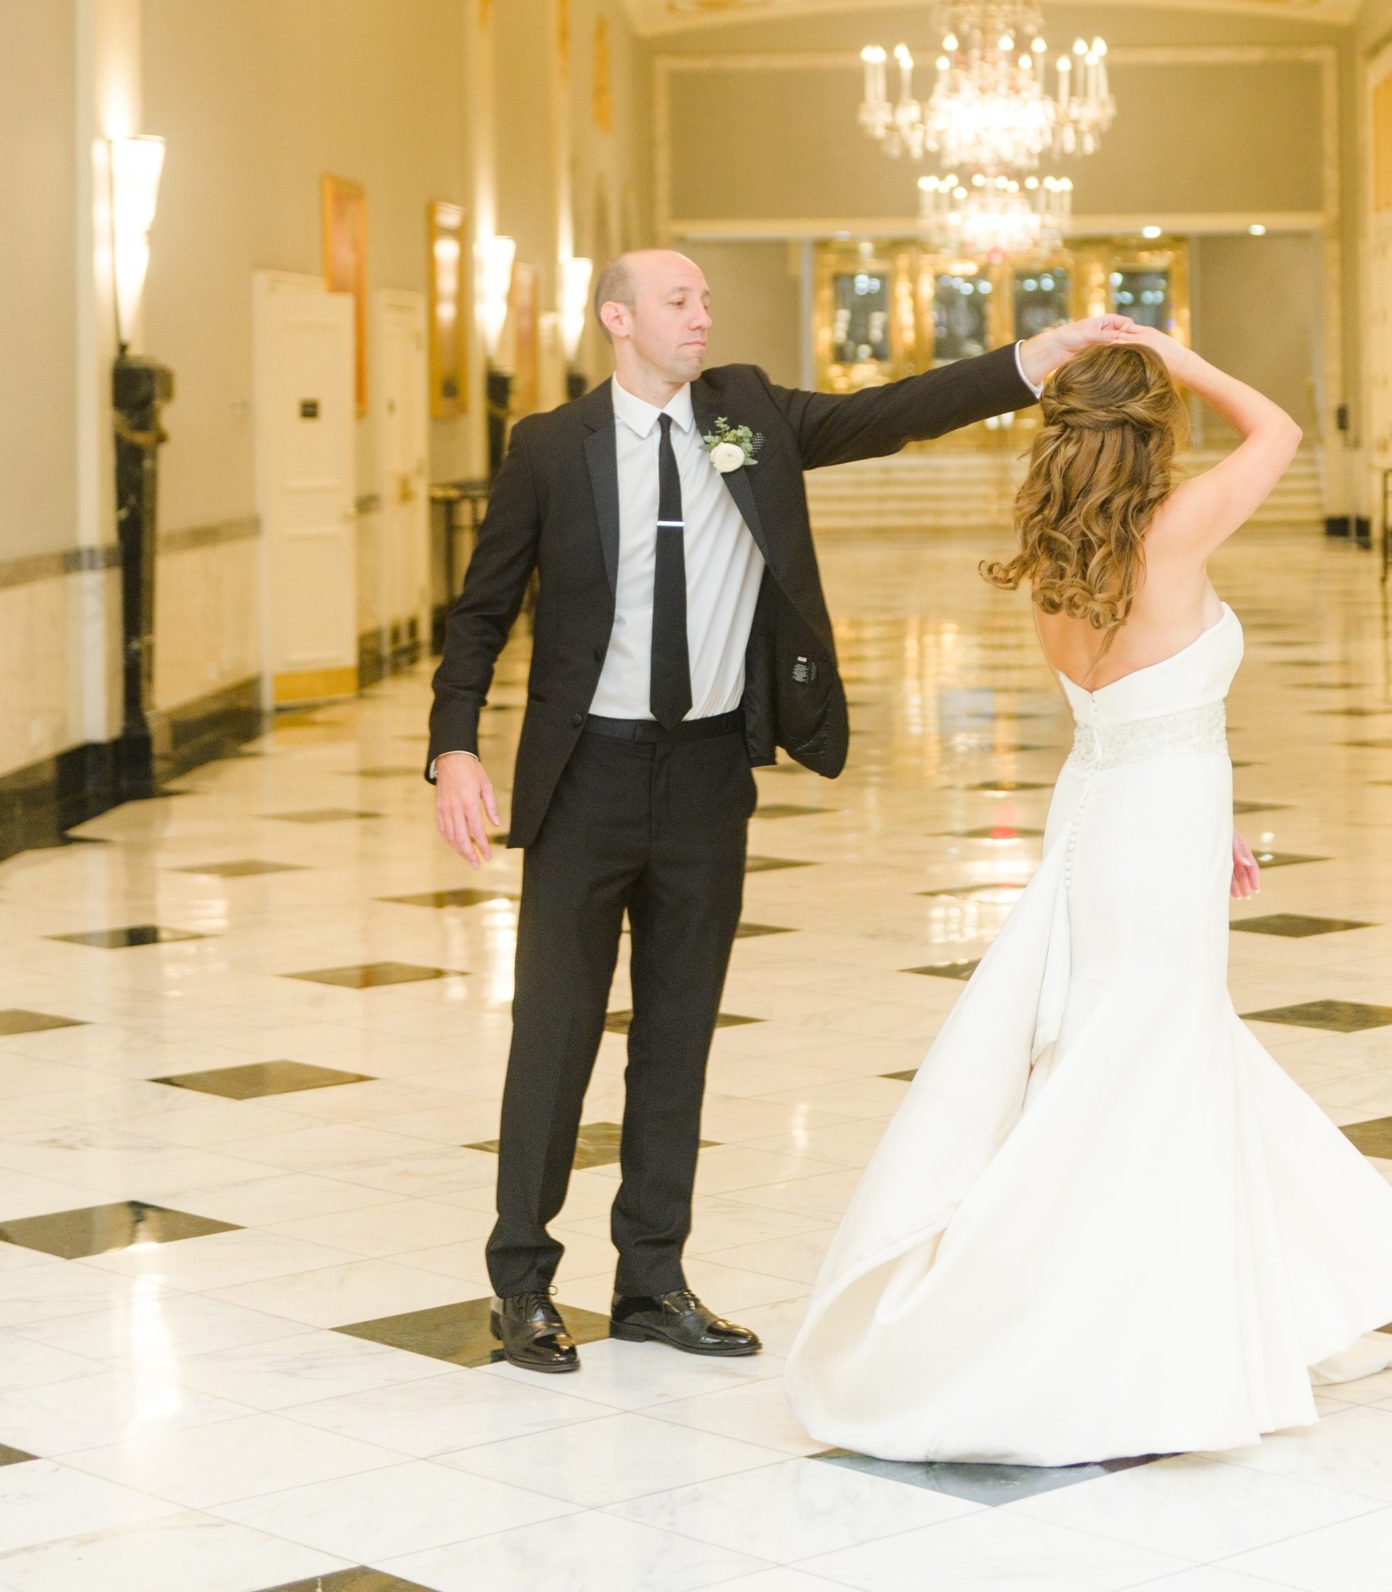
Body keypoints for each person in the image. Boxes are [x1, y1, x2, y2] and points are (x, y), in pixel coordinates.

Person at [427, 248, 1144, 1375]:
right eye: (679, 300)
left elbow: (889, 411)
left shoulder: (747, 412)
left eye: (708, 296)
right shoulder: (547, 450)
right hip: (584, 780)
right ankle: (522, 1283)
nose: (703, 314)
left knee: (679, 1035)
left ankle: (651, 1278)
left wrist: (1029, 360)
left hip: (709, 774)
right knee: (553, 1033)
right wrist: (455, 746)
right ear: (618, 317)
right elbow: (478, 612)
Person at [786, 329, 1392, 1464]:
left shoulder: (1053, 552)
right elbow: (1281, 431)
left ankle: (1242, 1301)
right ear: (1153, 433)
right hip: (1153, 821)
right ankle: (1107, 1332)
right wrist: (1178, 352)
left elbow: (1121, 711)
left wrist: (1215, 812)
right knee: (1141, 1062)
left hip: (1107, 811)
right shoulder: (1173, 526)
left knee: (1134, 1046)